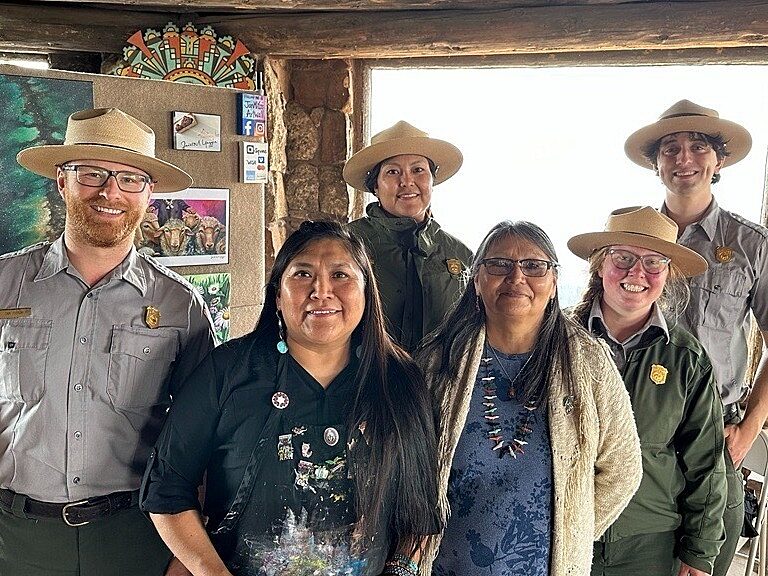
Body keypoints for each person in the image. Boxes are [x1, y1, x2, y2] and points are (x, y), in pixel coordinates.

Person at [142, 220, 441, 576]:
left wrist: (401, 569)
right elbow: (166, 488)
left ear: (366, 291)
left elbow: (418, 509)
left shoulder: (399, 380)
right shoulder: (229, 370)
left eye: (341, 275)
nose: (321, 291)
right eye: (302, 274)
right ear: (277, 296)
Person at [0, 107, 216, 575]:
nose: (110, 192)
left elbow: (205, 439)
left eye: (129, 179)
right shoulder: (4, 283)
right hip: (14, 539)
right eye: (92, 174)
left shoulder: (180, 306)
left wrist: (188, 554)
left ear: (149, 194)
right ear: (62, 181)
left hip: (135, 538)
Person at [417, 220, 642, 576]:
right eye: (499, 264)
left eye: (534, 266)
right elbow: (410, 466)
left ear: (553, 283)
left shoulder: (588, 361)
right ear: (476, 279)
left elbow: (622, 469)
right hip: (445, 565)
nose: (516, 277)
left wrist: (571, 529)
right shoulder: (438, 360)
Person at [625, 100, 768, 576]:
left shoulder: (752, 245)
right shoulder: (632, 239)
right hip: (636, 431)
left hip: (718, 432)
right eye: (670, 148)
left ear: (719, 160)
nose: (684, 157)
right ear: (656, 162)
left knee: (704, 564)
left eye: (698, 146)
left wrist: (747, 431)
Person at [569, 206, 727, 576]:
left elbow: (706, 460)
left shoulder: (686, 357)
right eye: (622, 258)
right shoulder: (557, 341)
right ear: (599, 265)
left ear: (667, 274)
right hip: (567, 527)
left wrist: (700, 551)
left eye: (654, 262)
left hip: (649, 540)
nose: (636, 273)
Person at [343, 121, 473, 352]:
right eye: (393, 172)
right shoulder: (348, 245)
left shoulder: (460, 255)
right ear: (375, 186)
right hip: (363, 383)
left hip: (438, 385)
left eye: (418, 170)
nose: (407, 182)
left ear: (433, 180)